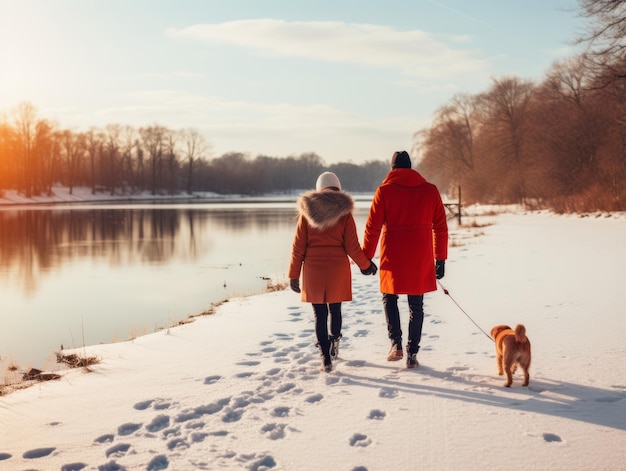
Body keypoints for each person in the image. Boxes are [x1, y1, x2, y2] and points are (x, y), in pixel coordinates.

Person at [362, 151, 448, 368]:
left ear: (392, 169)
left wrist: (366, 258)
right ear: (411, 168)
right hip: (420, 255)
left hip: (394, 255)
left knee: (389, 298)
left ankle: (396, 345)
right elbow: (440, 227)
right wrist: (441, 258)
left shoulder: (384, 191)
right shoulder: (430, 191)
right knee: (416, 304)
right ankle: (412, 353)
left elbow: (372, 228)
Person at [289, 172, 377, 373]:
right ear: (338, 187)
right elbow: (352, 247)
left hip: (313, 270)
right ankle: (334, 342)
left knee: (319, 314)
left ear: (319, 188)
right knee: (335, 309)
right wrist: (366, 266)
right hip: (337, 268)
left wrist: (294, 274)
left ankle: (325, 357)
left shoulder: (306, 213)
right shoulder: (345, 213)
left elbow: (298, 247)